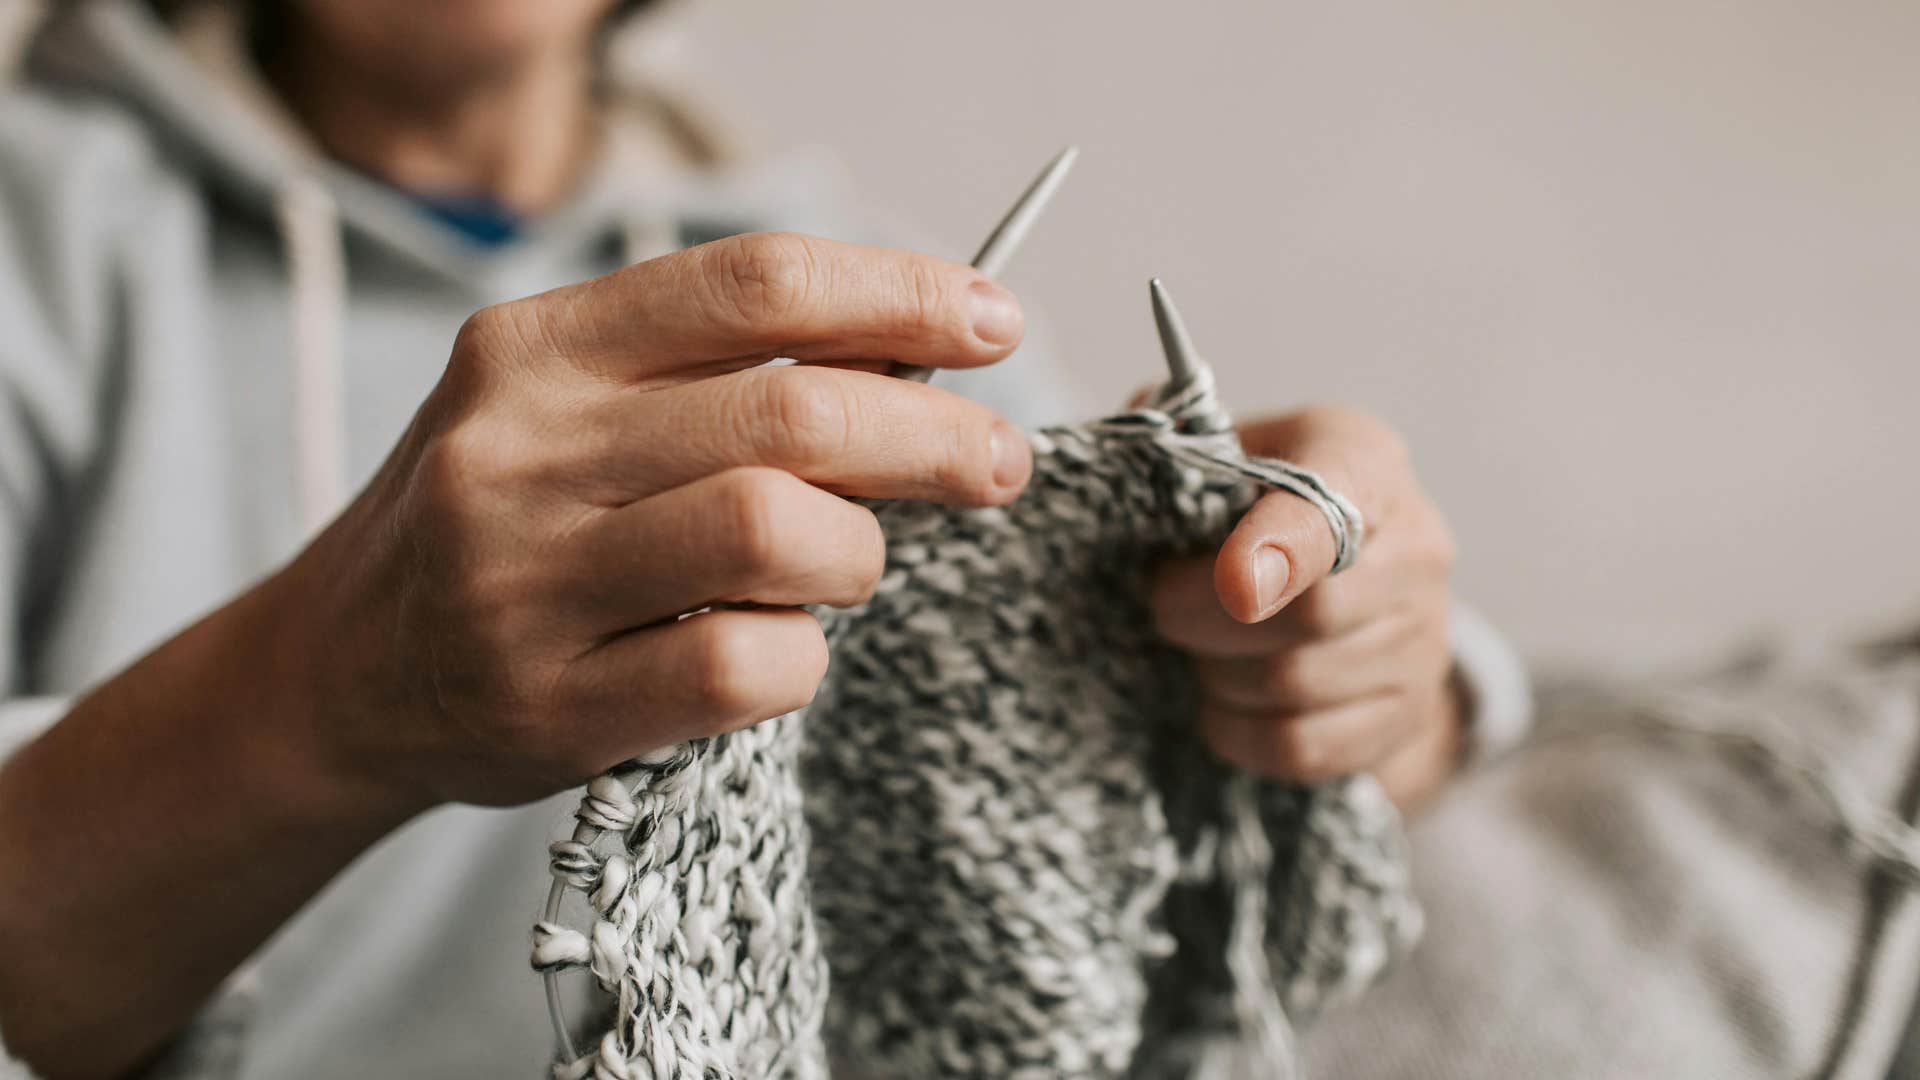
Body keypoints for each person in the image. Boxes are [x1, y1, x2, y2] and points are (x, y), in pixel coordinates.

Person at [0, 1, 1528, 1075]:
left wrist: (1372, 666)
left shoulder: (816, 266)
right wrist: (324, 688)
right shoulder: (42, 238)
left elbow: (1161, 633)